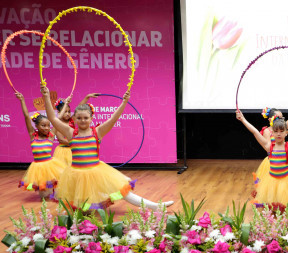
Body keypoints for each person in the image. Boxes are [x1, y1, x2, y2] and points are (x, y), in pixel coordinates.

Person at [41, 85, 173, 210]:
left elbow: (113, 119)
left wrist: (124, 103)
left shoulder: (97, 132)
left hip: (97, 172)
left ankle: (156, 206)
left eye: (86, 118)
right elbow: (52, 118)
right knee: (81, 207)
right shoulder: (70, 132)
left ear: (92, 118)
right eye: (79, 118)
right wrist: (46, 97)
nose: (82, 120)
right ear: (75, 118)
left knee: (123, 193)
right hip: (76, 173)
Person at [16, 91, 65, 199]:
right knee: (44, 196)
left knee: (57, 192)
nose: (47, 128)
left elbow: (57, 119)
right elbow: (26, 117)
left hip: (50, 166)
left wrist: (64, 105)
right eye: (43, 125)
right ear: (37, 126)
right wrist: (22, 100)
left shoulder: (51, 136)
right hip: (38, 167)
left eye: (48, 125)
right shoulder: (33, 136)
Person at [53, 93, 99, 165]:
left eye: (68, 111)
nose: (67, 113)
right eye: (65, 112)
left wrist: (87, 97)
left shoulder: (72, 120)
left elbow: (78, 108)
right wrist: (78, 143)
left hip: (73, 150)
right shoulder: (58, 124)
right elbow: (61, 140)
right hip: (63, 151)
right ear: (59, 112)